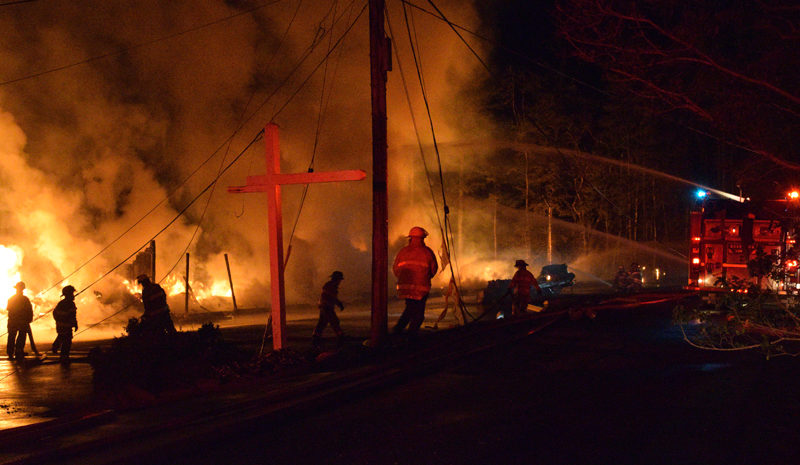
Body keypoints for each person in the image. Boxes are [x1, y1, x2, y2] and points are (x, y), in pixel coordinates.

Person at [392, 226, 438, 339]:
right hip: (421, 290)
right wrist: (424, 278)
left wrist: (404, 280)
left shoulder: (403, 252)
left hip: (405, 288)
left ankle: (398, 332)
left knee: (410, 310)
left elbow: (395, 269)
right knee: (418, 316)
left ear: (410, 238)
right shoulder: (427, 252)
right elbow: (433, 270)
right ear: (422, 238)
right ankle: (409, 338)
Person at [312, 271, 346, 349]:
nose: (340, 282)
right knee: (334, 321)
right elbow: (330, 297)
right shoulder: (330, 286)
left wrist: (338, 303)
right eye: (339, 280)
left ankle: (315, 337)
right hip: (327, 307)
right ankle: (340, 337)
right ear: (336, 279)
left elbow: (330, 297)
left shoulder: (330, 286)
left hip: (325, 306)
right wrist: (339, 304)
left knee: (322, 323)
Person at [6, 281, 33, 361]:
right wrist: (28, 319)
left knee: (12, 336)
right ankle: (18, 351)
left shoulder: (11, 299)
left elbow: (9, 309)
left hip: (13, 321)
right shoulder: (25, 299)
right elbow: (29, 310)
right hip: (21, 321)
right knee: (20, 336)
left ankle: (11, 352)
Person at [51, 285, 78, 363]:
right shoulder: (70, 304)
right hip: (66, 327)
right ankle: (64, 356)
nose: (73, 295)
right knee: (67, 342)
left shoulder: (61, 303)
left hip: (60, 326)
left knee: (61, 337)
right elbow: (72, 316)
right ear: (69, 294)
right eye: (72, 294)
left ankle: (56, 347)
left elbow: (55, 313)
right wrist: (75, 324)